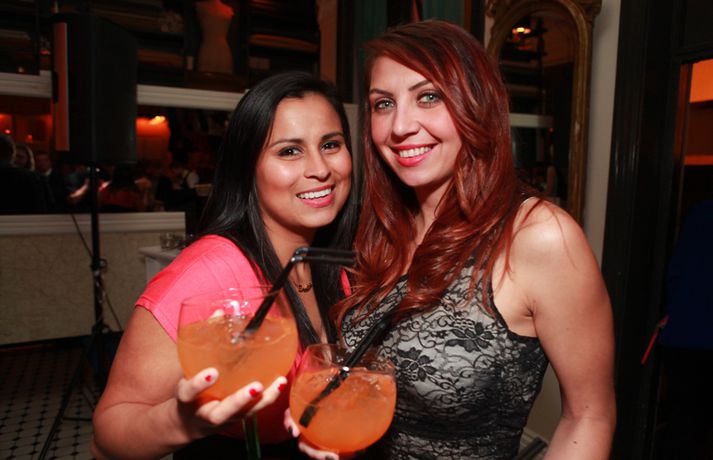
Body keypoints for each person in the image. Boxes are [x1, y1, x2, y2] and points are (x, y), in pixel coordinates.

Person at [288, 20, 616, 459]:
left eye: (428, 96)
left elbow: (590, 415)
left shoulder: (539, 236)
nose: (400, 126)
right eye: (384, 103)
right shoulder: (379, 230)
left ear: (475, 104)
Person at [91, 71, 358, 459]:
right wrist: (183, 422)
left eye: (330, 144)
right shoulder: (208, 273)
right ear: (246, 167)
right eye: (289, 151)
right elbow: (106, 437)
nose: (320, 168)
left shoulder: (333, 260)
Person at [656, 200, 713, 460]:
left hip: (684, 335)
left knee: (684, 422)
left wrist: (674, 310)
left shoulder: (701, 212)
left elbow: (675, 272)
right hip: (690, 333)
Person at [0, 134, 46, 214]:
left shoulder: (32, 177)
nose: (17, 160)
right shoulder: (32, 178)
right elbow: (41, 209)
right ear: (12, 155)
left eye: (21, 157)